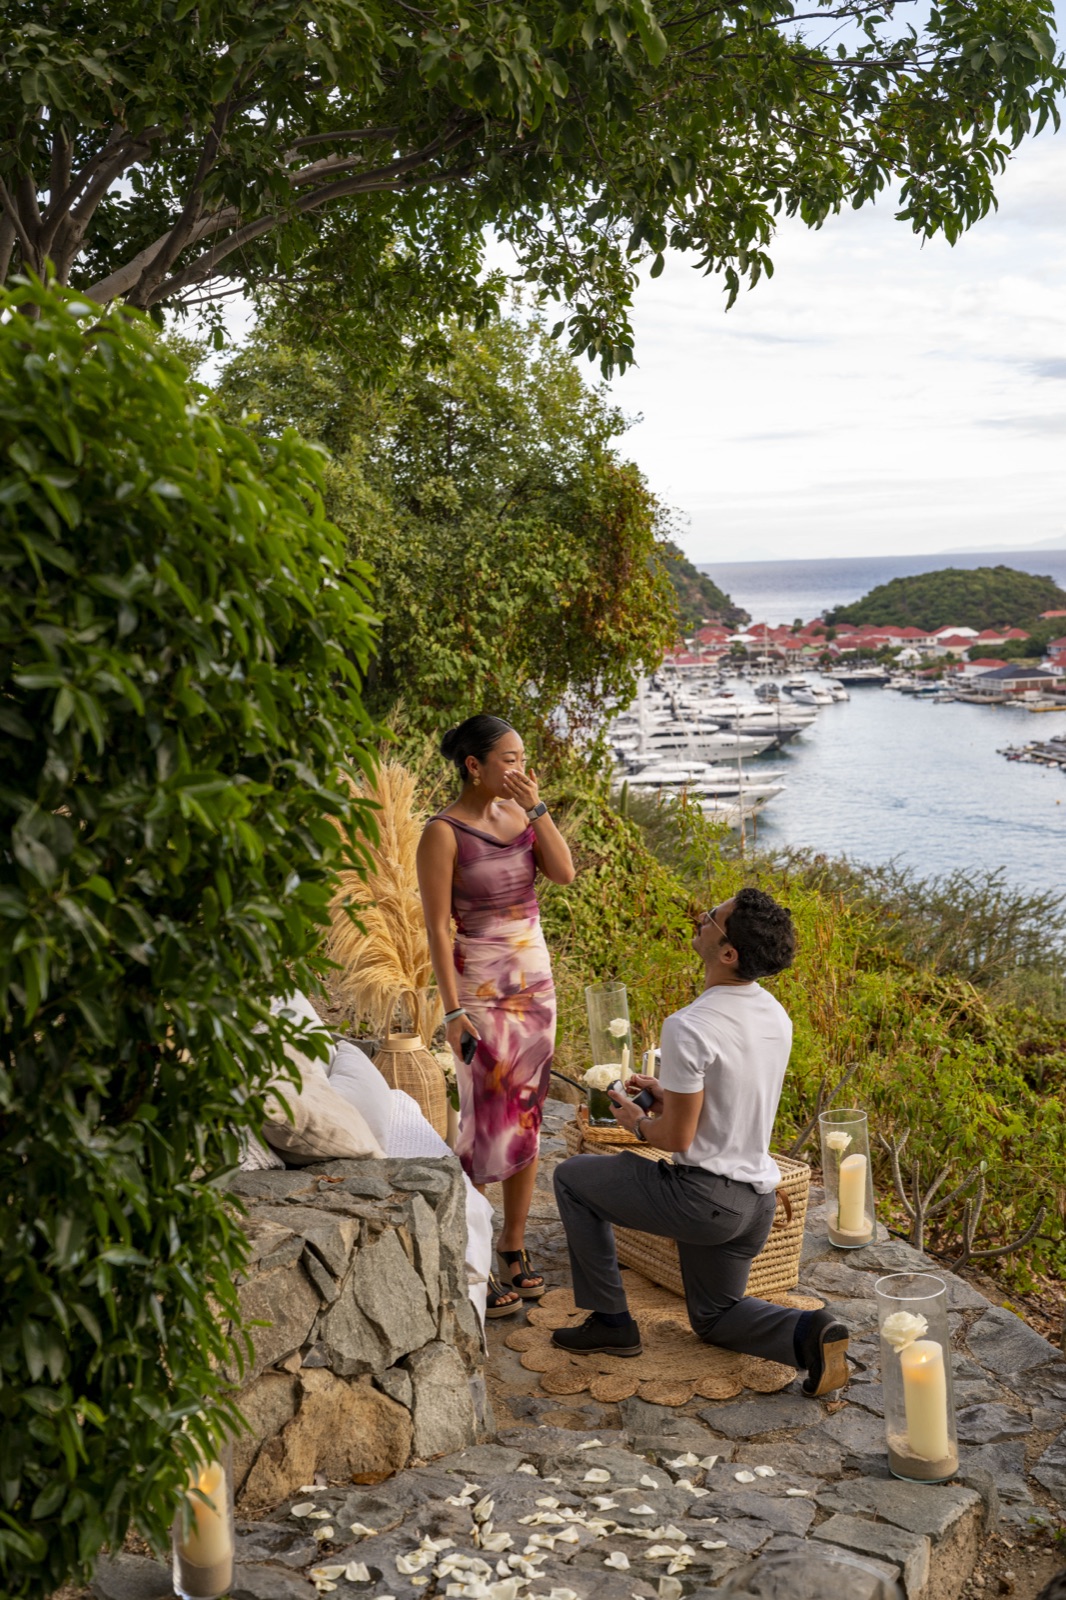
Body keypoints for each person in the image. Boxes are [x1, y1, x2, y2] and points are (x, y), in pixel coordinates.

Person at [551, 887, 849, 1396]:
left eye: (712, 918)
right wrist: (668, 1094)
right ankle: (809, 1333)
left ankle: (610, 1322)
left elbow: (673, 1137)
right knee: (713, 1318)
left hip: (702, 1200)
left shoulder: (689, 1025)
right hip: (755, 1205)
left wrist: (635, 1123)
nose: (702, 918)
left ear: (728, 952)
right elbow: (732, 1099)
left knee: (571, 1179)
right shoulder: (775, 1014)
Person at [417, 714, 575, 1318]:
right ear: (473, 766)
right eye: (507, 760)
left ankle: (513, 1243)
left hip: (535, 985)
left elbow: (563, 873)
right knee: (486, 1119)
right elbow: (436, 927)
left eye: (521, 758)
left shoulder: (521, 816)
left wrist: (538, 810)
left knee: (527, 1113)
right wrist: (452, 1010)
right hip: (480, 988)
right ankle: (475, 1252)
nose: (518, 769)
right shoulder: (443, 833)